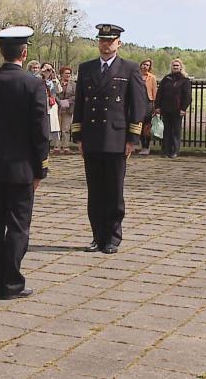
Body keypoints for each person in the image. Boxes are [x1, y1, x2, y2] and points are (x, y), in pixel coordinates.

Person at [0, 26, 49, 300]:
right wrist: (42, 167)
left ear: (1, 52)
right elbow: (41, 130)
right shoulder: (34, 84)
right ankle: (12, 282)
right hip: (22, 168)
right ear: (24, 53)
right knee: (18, 227)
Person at [71, 24, 146, 254]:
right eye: (102, 41)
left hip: (116, 138)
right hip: (92, 138)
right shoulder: (86, 68)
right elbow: (80, 104)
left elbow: (139, 105)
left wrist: (132, 137)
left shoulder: (130, 69)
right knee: (95, 192)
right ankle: (97, 236)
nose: (106, 45)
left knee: (114, 192)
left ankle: (113, 237)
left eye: (110, 41)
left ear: (119, 43)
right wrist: (79, 136)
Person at [154, 58, 192, 159]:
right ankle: (165, 151)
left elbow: (187, 96)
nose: (175, 67)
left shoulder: (185, 80)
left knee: (176, 131)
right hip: (165, 109)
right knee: (166, 131)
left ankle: (174, 151)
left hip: (177, 110)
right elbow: (159, 93)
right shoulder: (166, 79)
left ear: (181, 67)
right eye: (174, 65)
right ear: (171, 67)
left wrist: (183, 109)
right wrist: (157, 106)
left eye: (177, 65)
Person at [138, 59, 158, 155]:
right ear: (140, 65)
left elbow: (154, 92)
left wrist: (155, 106)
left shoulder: (152, 78)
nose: (145, 66)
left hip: (148, 103)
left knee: (147, 126)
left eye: (147, 65)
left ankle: (146, 147)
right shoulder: (135, 76)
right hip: (137, 103)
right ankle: (140, 145)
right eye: (144, 64)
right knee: (138, 125)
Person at [41, 63, 62, 153]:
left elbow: (59, 90)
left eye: (49, 69)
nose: (48, 71)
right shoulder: (39, 79)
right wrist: (42, 73)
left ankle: (49, 146)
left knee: (51, 127)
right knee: (43, 126)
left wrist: (54, 77)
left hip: (52, 106)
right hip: (42, 105)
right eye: (46, 69)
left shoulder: (53, 81)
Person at [56, 66, 76, 154]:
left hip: (68, 109)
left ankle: (66, 147)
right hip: (57, 108)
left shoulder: (73, 84)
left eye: (69, 73)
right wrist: (59, 102)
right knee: (57, 128)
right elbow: (53, 93)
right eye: (66, 73)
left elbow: (76, 95)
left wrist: (68, 101)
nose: (68, 75)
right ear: (61, 74)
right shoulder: (57, 83)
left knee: (66, 128)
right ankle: (56, 147)